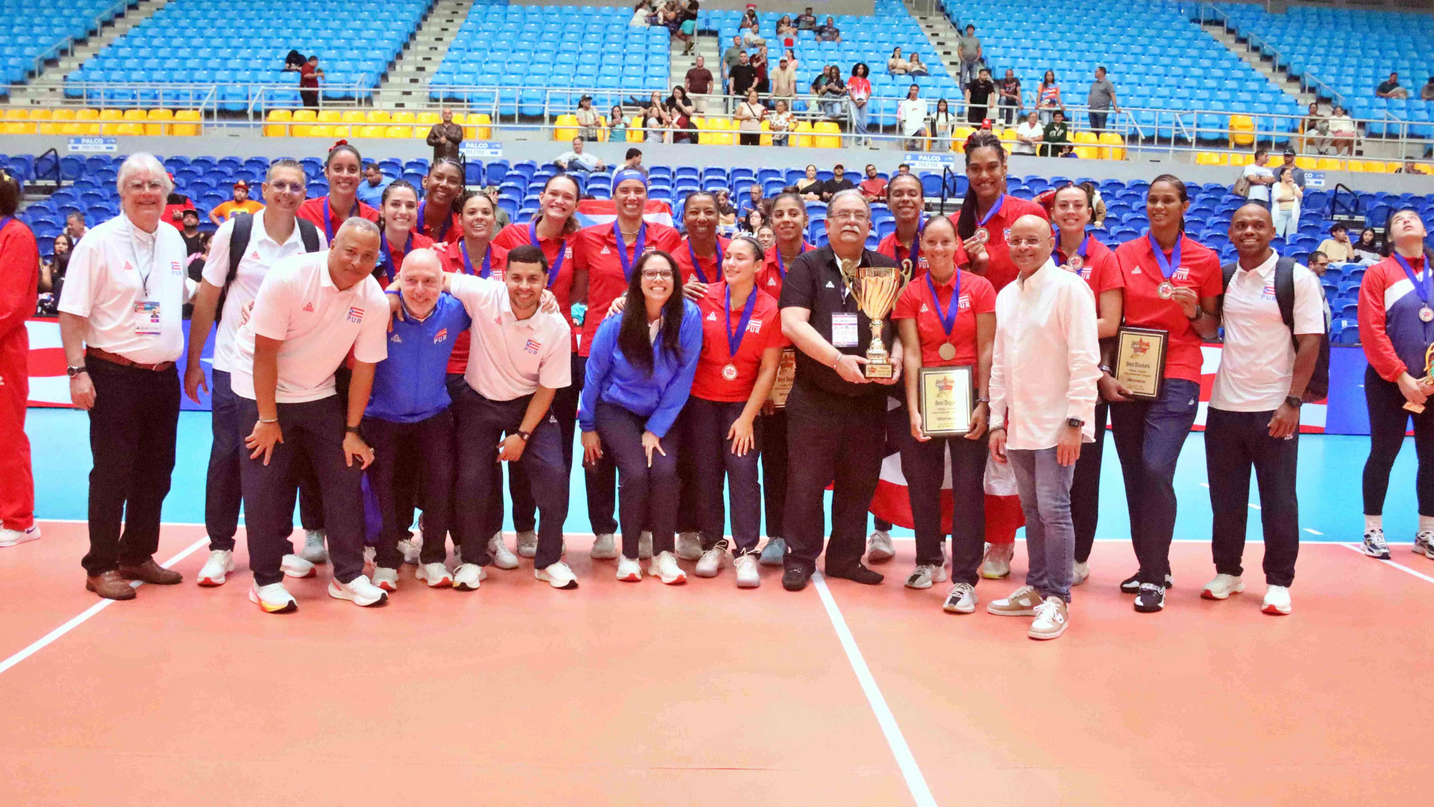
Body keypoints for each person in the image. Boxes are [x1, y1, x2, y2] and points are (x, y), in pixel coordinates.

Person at [232, 218, 390, 613]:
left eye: (368, 256)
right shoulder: (289, 277)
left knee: (344, 474)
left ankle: (349, 575)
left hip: (319, 390)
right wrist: (267, 420)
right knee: (267, 482)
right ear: (332, 244)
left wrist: (352, 430)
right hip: (262, 388)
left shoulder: (373, 298)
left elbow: (364, 369)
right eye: (350, 251)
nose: (357, 262)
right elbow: (265, 353)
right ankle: (265, 581)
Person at [186, 159, 326, 586]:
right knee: (228, 455)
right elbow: (208, 300)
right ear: (264, 189)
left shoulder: (313, 237)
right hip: (233, 365)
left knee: (277, 465)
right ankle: (221, 548)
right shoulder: (236, 231)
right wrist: (195, 362)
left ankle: (276, 548)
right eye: (279, 184)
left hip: (283, 374)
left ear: (305, 193)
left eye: (296, 186)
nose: (287, 192)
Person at [58, 154, 189, 599]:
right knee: (113, 471)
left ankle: (137, 552)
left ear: (166, 192)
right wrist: (77, 371)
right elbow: (72, 312)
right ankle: (101, 565)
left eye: (154, 185)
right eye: (136, 185)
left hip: (162, 377)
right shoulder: (97, 243)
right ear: (121, 193)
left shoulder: (173, 239)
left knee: (157, 471)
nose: (147, 193)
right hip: (113, 373)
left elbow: (178, 295)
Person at [1107, 175, 1222, 613]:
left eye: (1168, 200)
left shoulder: (1205, 258)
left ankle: (1154, 578)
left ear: (1184, 206)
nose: (1158, 207)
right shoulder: (1125, 254)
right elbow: (1113, 318)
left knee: (1156, 469)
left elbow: (1210, 328)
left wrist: (1193, 310)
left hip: (1177, 371)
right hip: (1131, 372)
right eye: (1153, 200)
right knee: (1136, 475)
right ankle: (1152, 564)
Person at [777, 189, 902, 591]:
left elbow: (899, 330)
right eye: (842, 214)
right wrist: (836, 360)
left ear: (870, 225)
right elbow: (793, 324)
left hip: (868, 402)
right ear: (826, 224)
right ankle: (799, 559)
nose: (851, 221)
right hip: (815, 397)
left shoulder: (885, 268)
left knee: (859, 483)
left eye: (859, 215)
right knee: (806, 484)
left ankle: (846, 558)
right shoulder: (807, 267)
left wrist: (896, 360)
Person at [1204, 203, 1324, 616]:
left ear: (1273, 230)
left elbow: (1310, 340)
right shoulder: (1225, 277)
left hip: (1274, 408)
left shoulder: (1296, 278)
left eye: (1257, 224)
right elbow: (1206, 328)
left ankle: (1278, 582)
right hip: (1223, 407)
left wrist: (1293, 401)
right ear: (1231, 232)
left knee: (1278, 499)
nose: (1248, 230)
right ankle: (1228, 572)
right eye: (1240, 225)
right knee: (1226, 499)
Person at [984, 213, 1099, 640]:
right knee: (1031, 510)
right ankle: (1035, 587)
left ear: (1051, 242)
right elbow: (999, 364)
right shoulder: (1007, 296)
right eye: (1016, 241)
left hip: (1058, 425)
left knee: (1055, 509)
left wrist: (1075, 421)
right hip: (1020, 425)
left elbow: (1086, 359)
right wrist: (997, 421)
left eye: (1033, 240)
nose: (1024, 248)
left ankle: (1058, 599)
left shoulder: (1071, 289)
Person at [440, 244, 575, 589]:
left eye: (533, 278)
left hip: (527, 405)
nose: (524, 286)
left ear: (546, 279)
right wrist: (394, 295)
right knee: (470, 480)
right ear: (505, 277)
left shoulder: (556, 326)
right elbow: (432, 277)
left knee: (554, 475)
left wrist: (523, 436)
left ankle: (548, 561)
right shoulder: (484, 294)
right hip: (479, 401)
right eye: (516, 277)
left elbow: (547, 389)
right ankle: (471, 559)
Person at [955, 131, 1051, 578]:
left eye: (991, 167)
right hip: (976, 346)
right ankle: (975, 538)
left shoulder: (1027, 215)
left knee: (1013, 449)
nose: (984, 175)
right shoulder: (959, 221)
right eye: (975, 168)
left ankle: (1004, 544)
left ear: (1005, 166)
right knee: (982, 445)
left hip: (1023, 346)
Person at [575, 170, 682, 561]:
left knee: (648, 459)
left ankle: (650, 530)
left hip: (650, 349)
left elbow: (675, 285)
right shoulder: (589, 238)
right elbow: (578, 291)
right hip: (600, 347)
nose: (632, 196)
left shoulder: (666, 237)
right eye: (624, 190)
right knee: (598, 451)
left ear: (647, 195)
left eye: (639, 190)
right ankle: (603, 528)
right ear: (613, 195)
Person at [580, 250, 701, 584]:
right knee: (634, 473)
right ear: (637, 281)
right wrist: (587, 425)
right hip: (616, 408)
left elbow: (683, 378)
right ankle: (630, 555)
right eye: (650, 274)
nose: (658, 280)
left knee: (664, 472)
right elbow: (594, 373)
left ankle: (663, 555)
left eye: (666, 274)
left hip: (663, 412)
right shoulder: (617, 320)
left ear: (675, 281)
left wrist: (656, 428)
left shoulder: (689, 316)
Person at [892, 215, 995, 605]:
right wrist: (914, 410)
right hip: (926, 398)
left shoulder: (980, 288)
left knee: (969, 487)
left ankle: (965, 578)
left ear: (957, 245)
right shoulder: (910, 293)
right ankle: (929, 559)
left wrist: (984, 402)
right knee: (922, 483)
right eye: (930, 242)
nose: (937, 249)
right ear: (921, 245)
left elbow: (986, 349)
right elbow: (913, 352)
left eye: (944, 242)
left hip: (968, 397)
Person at [362, 249, 469, 591]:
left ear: (443, 283)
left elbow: (501, 303)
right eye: (410, 281)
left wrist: (546, 300)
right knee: (385, 488)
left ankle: (433, 557)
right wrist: (389, 294)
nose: (420, 290)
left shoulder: (455, 311)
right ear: (399, 281)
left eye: (429, 282)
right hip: (383, 416)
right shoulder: (380, 310)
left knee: (442, 482)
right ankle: (386, 560)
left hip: (433, 413)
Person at [492, 175, 584, 559]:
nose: (560, 200)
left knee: (557, 452)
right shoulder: (511, 234)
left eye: (569, 196)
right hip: (513, 357)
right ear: (542, 197)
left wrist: (557, 312)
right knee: (516, 444)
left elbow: (578, 296)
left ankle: (552, 530)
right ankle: (524, 526)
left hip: (558, 355)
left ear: (576, 205)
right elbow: (494, 282)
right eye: (555, 193)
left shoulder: (579, 244)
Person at [682, 234, 782, 585]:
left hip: (742, 404)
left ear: (758, 266)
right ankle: (713, 543)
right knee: (706, 473)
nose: (731, 263)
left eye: (741, 258)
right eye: (728, 257)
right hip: (701, 402)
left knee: (742, 471)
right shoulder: (703, 297)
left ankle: (746, 551)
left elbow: (769, 368)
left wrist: (746, 418)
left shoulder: (770, 308)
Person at [1048, 184, 1123, 586]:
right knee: (1046, 469)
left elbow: (1110, 322)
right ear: (1054, 213)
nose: (1071, 211)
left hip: (1084, 379)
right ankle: (1047, 551)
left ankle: (1078, 556)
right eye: (1063, 205)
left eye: (1078, 205)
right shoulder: (1044, 252)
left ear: (1089, 213)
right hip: (1044, 378)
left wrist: (1060, 329)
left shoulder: (1105, 258)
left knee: (1083, 473)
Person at [1356, 209, 1434, 561]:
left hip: (1432, 386)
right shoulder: (1379, 273)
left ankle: (1427, 532)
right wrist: (1401, 376)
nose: (1406, 221)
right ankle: (1373, 530)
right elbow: (1371, 332)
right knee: (1383, 454)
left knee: (1432, 457)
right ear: (1389, 236)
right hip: (1389, 382)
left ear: (1424, 229)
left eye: (1412, 217)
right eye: (1397, 219)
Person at [756, 193, 810, 566]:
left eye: (794, 213)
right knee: (774, 459)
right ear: (771, 222)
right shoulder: (760, 269)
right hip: (770, 374)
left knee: (807, 463)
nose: (787, 219)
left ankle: (804, 537)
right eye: (780, 214)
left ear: (806, 219)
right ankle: (776, 534)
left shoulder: (821, 263)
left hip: (813, 376)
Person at [0, 172, 39, 548]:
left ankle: (19, 519)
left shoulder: (16, 236)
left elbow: (9, 306)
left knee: (5, 434)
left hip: (4, 351)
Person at [298, 142, 380, 248]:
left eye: (352, 170)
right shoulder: (303, 212)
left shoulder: (374, 219)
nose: (345, 175)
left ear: (360, 175)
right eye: (338, 169)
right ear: (327, 172)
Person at [376, 180, 437, 289]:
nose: (403, 211)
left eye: (410, 206)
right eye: (395, 204)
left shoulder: (427, 247)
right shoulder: (369, 245)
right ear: (382, 210)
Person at [416, 158, 464, 245]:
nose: (444, 184)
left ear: (459, 191)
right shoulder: (407, 215)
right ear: (425, 181)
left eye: (452, 181)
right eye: (438, 177)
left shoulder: (462, 229)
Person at [1272, 166, 1302, 239]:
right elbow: (1278, 197)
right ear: (1282, 176)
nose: (1290, 175)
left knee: (1291, 236)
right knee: (1278, 234)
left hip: (1292, 213)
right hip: (1281, 212)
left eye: (1290, 174)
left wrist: (1292, 186)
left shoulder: (1294, 185)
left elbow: (1299, 195)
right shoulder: (1276, 185)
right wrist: (1292, 198)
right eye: (1287, 174)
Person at [847, 63, 873, 147]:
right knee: (857, 119)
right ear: (856, 70)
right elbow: (850, 91)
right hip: (854, 101)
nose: (860, 70)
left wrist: (864, 100)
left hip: (863, 102)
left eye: (862, 68)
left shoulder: (867, 81)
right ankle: (866, 137)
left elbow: (868, 92)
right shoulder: (851, 79)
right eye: (859, 68)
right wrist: (855, 101)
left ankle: (859, 138)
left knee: (864, 121)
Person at [1087, 66, 1119, 132]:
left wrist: (1115, 106)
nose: (1095, 73)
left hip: (1101, 110)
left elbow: (1112, 94)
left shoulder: (1108, 83)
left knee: (1101, 129)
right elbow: (1091, 94)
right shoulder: (1094, 83)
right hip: (1092, 109)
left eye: (1096, 71)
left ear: (1101, 72)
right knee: (1093, 130)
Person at [898, 83, 929, 150]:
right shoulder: (905, 104)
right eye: (912, 90)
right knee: (910, 148)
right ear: (910, 91)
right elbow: (904, 119)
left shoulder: (922, 102)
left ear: (918, 91)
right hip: (909, 128)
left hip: (919, 126)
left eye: (916, 90)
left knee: (924, 133)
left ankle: (922, 150)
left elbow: (924, 117)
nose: (914, 91)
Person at [956, 24, 982, 89]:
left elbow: (979, 50)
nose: (970, 30)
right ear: (967, 30)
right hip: (965, 61)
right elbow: (959, 49)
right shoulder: (963, 39)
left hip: (974, 62)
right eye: (969, 29)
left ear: (973, 30)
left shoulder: (977, 40)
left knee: (973, 78)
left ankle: (972, 92)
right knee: (963, 77)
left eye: (971, 29)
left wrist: (977, 58)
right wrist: (961, 58)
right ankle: (962, 91)